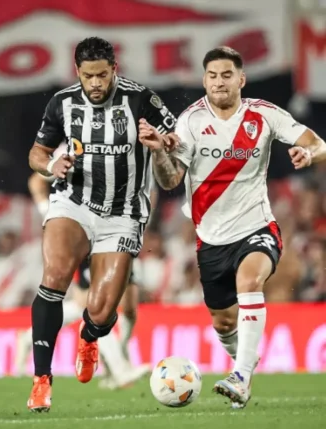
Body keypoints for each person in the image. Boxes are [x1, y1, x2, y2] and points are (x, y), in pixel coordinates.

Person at [139, 46, 326, 409]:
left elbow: (318, 143)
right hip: (211, 238)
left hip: (257, 226)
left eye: (227, 75)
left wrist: (310, 154)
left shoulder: (265, 115)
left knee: (250, 282)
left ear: (241, 79)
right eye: (212, 76)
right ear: (204, 80)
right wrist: (158, 153)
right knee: (224, 323)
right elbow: (169, 179)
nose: (219, 82)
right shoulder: (189, 122)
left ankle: (241, 376)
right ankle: (244, 358)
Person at [26, 37, 178, 412]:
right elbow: (37, 153)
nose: (95, 83)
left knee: (102, 310)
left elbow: (178, 137)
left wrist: (162, 141)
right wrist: (50, 166)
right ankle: (41, 380)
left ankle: (90, 336)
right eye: (88, 75)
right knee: (55, 275)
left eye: (102, 75)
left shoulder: (140, 99)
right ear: (77, 72)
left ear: (115, 69)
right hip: (73, 203)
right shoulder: (61, 103)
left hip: (123, 213)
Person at [15, 170, 149, 390]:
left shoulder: (128, 152)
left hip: (118, 226)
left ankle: (28, 338)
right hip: (82, 232)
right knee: (92, 305)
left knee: (128, 306)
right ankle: (121, 369)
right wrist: (47, 204)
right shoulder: (74, 146)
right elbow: (36, 179)